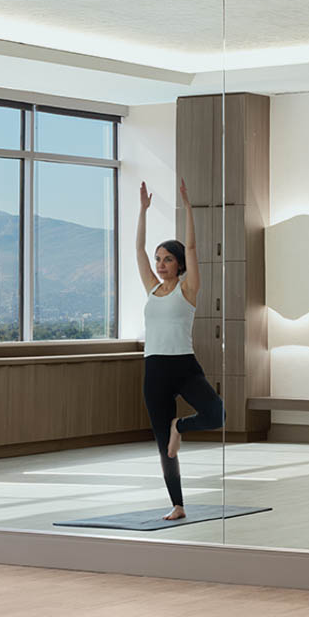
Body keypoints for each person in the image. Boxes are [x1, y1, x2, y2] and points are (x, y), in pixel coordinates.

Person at [135, 178, 226, 521]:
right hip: (154, 369)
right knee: (163, 446)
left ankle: (181, 427)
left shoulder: (188, 290)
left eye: (167, 259)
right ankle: (178, 504)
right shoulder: (151, 288)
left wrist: (188, 206)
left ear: (179, 265)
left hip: (184, 366)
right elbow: (138, 249)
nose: (160, 264)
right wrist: (142, 211)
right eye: (159, 259)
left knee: (217, 414)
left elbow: (191, 246)